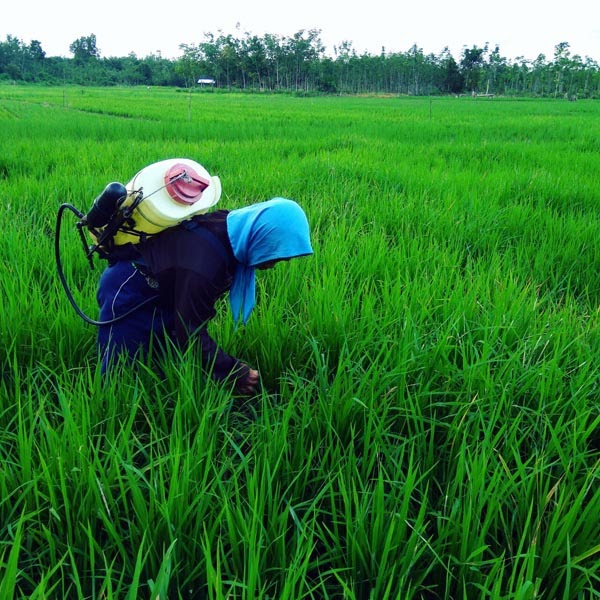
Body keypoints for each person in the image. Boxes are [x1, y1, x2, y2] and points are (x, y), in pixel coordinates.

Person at [96, 197, 313, 394]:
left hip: (164, 293)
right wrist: (234, 372)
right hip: (128, 290)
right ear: (260, 234)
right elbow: (190, 333)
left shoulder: (230, 229)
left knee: (162, 362)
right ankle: (103, 422)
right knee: (117, 375)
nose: (274, 263)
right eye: (274, 252)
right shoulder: (205, 265)